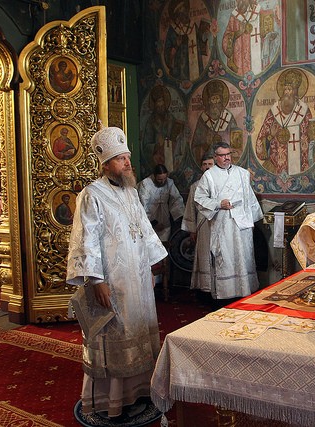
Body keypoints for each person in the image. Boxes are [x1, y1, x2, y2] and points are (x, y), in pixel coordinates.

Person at [66, 126, 166, 421]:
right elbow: (86, 238)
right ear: (106, 164)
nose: (127, 163)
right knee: (116, 335)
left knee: (139, 331)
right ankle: (113, 402)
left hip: (138, 279)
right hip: (113, 281)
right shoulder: (92, 195)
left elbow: (143, 230)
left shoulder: (132, 192)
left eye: (127, 157)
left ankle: (141, 391)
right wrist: (96, 280)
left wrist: (150, 267)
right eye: (121, 159)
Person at [194, 142, 263, 300]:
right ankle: (226, 296)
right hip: (222, 225)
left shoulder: (242, 173)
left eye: (228, 154)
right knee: (225, 260)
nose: (226, 158)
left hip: (242, 225)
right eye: (222, 155)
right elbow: (199, 199)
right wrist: (219, 204)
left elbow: (249, 198)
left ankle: (244, 294)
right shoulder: (209, 176)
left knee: (244, 258)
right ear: (215, 157)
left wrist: (252, 221)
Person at [256, 68, 312, 175]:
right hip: (276, 166)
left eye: (290, 89)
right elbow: (260, 143)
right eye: (285, 89)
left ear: (295, 91)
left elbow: (311, 138)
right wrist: (270, 137)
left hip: (299, 166)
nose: (286, 92)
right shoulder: (274, 111)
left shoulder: (304, 111)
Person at [181, 153, 215, 293]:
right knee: (204, 256)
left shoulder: (222, 184)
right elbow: (190, 208)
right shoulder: (195, 186)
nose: (207, 167)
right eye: (204, 164)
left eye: (210, 164)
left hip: (218, 225)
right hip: (202, 226)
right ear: (201, 167)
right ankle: (206, 288)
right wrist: (192, 229)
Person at [222, 0, 278, 75]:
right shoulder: (234, 16)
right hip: (240, 61)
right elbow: (226, 38)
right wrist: (237, 33)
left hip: (258, 57)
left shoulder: (258, 11)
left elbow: (267, 32)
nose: (241, 2)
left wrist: (268, 36)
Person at [192, 79, 239, 164]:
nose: (215, 103)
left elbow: (236, 142)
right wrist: (206, 141)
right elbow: (196, 144)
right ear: (209, 101)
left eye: (217, 99)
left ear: (221, 101)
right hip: (209, 159)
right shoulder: (203, 118)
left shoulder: (228, 117)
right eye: (213, 99)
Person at [140, 84, 184, 176]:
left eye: (162, 101)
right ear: (154, 104)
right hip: (158, 159)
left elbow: (177, 139)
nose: (160, 104)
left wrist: (177, 136)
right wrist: (156, 145)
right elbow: (146, 146)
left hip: (170, 157)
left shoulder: (171, 118)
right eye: (158, 102)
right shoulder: (151, 122)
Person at [137, 164, 185, 244]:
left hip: (164, 218)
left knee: (164, 243)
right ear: (154, 176)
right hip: (150, 216)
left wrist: (180, 215)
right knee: (151, 243)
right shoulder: (146, 183)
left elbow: (176, 199)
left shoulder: (169, 182)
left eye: (164, 179)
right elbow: (143, 204)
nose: (162, 182)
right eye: (159, 179)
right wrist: (153, 223)